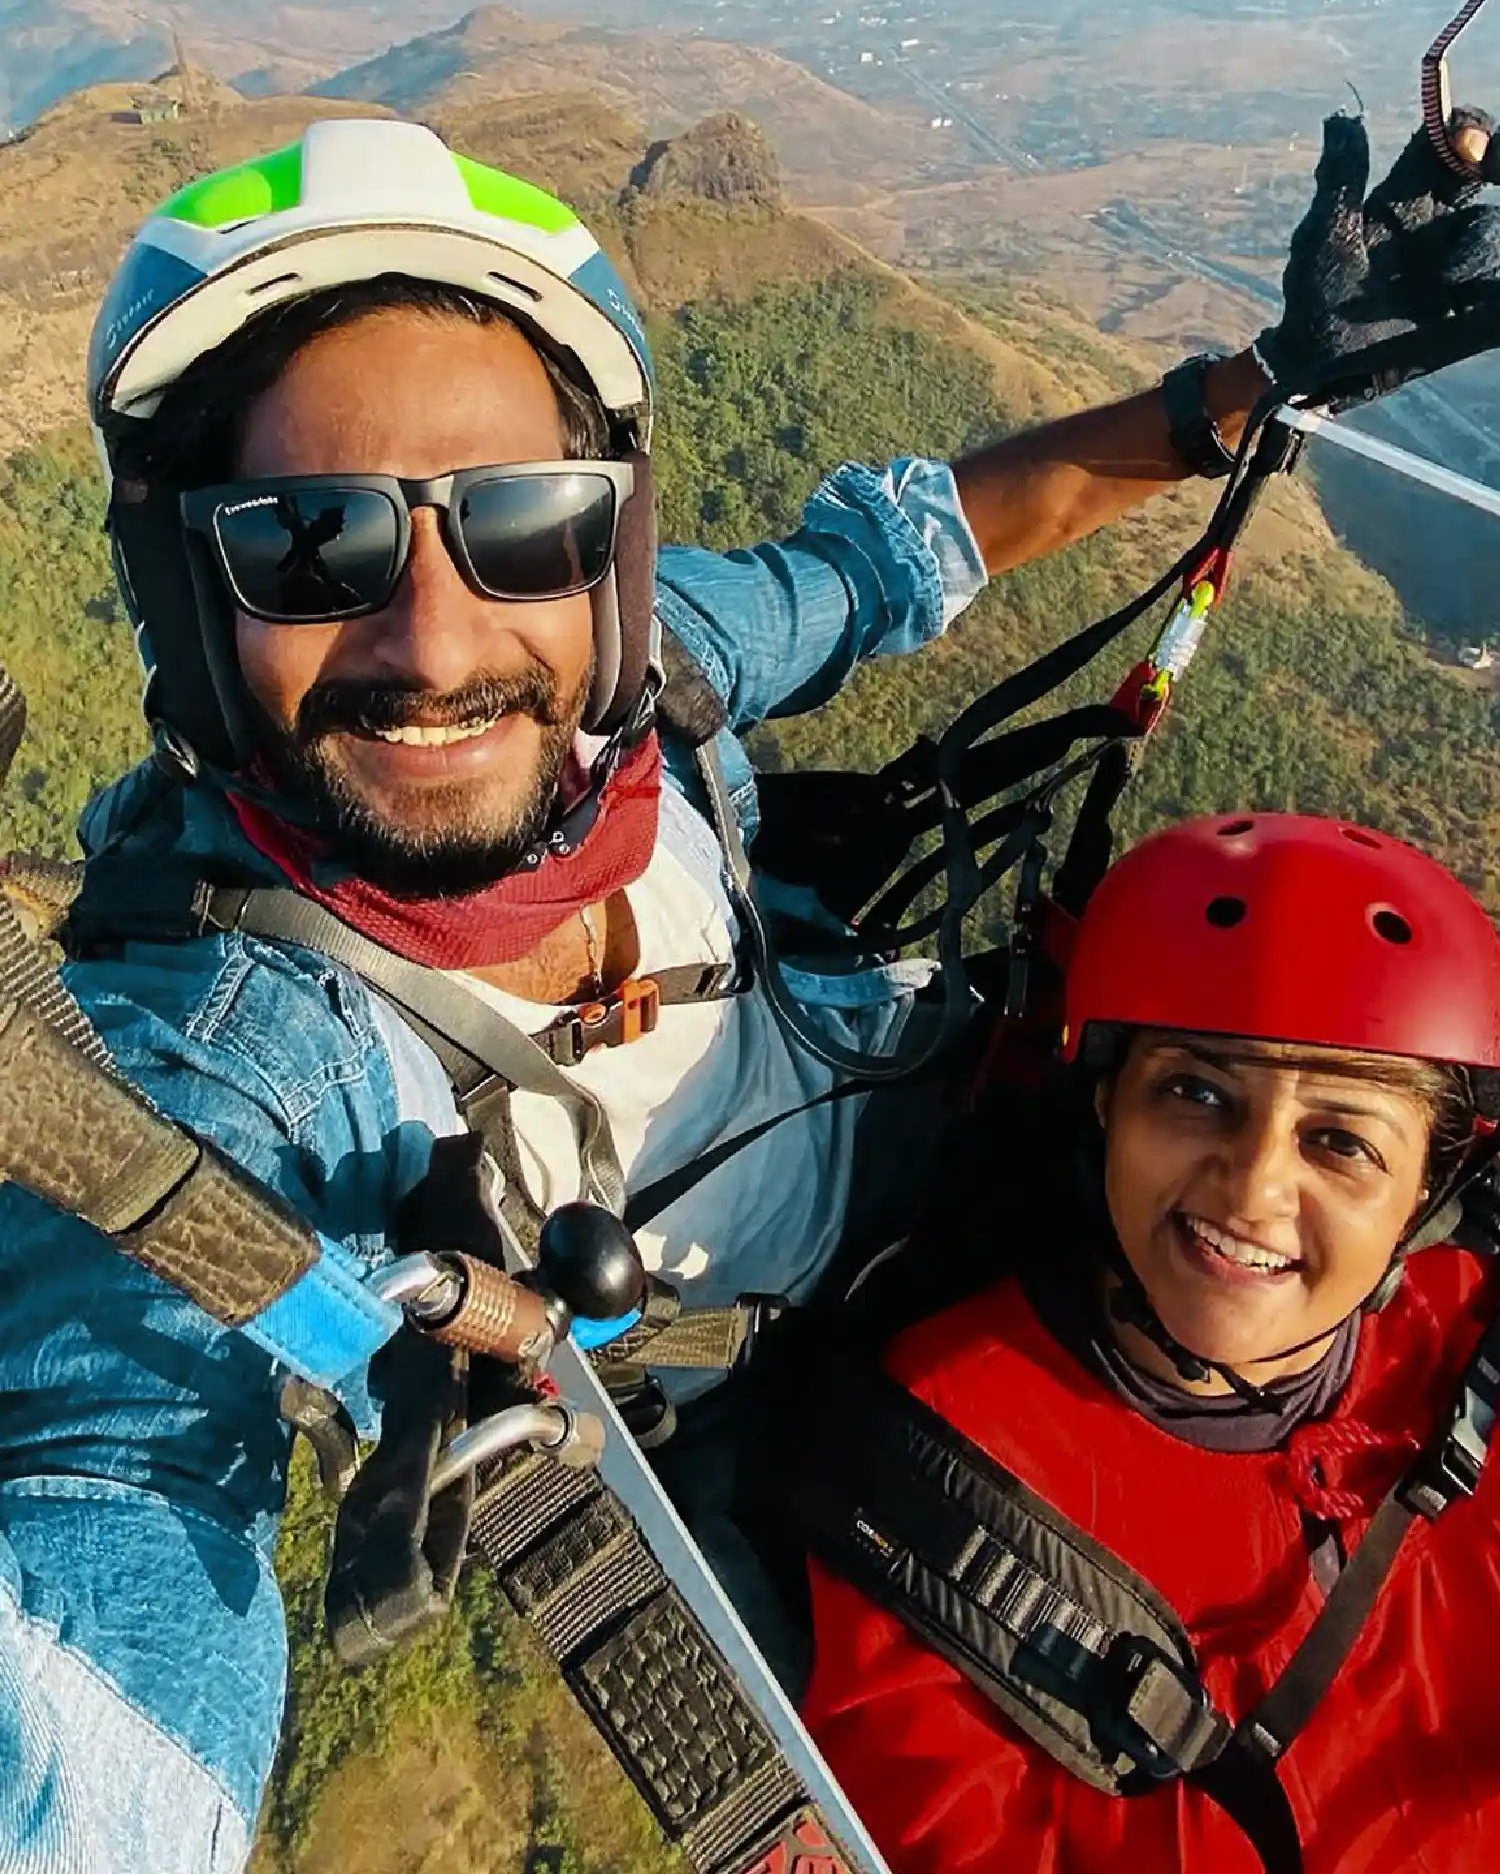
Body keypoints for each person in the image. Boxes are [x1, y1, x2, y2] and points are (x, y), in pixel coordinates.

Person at [0, 104, 1497, 1872]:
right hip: (800, 1413)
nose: (440, 635)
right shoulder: (238, 1069)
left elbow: (900, 553)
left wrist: (1262, 384)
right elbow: (115, 1472)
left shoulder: (648, 686)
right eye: (306, 545)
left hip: (1002, 1136)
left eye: (522, 521)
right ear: (192, 598)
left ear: (606, 551)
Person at [802, 811, 1500, 1873]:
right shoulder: (945, 1472)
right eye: (1197, 1093)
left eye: (1341, 1140)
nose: (1256, 1183)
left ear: (1427, 1194)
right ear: (1104, 1109)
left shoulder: (1468, 1341)